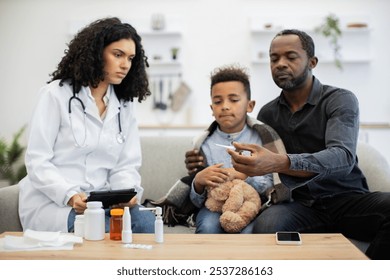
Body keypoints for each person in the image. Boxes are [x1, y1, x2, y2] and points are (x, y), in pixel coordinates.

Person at [186, 29, 390, 259]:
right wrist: (198, 159)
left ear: (312, 62)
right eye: (274, 58)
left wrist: (280, 162)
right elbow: (235, 137)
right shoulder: (268, 114)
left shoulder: (339, 99)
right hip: (298, 205)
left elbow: (342, 156)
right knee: (266, 226)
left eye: (290, 57)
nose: (280, 64)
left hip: (347, 199)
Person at [18, 17, 155, 233]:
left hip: (101, 202)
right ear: (96, 52)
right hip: (55, 203)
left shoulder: (125, 105)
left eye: (130, 58)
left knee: (147, 224)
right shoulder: (55, 95)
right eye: (117, 55)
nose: (125, 64)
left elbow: (126, 165)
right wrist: (70, 195)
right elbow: (38, 161)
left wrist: (123, 195)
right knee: (103, 229)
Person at [189, 65, 285, 233]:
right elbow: (198, 201)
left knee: (249, 234)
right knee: (208, 226)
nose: (225, 106)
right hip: (215, 207)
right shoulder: (203, 144)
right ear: (212, 108)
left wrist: (244, 176)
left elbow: (271, 185)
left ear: (250, 105)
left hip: (251, 204)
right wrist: (198, 181)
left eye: (233, 100)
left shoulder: (262, 138)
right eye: (218, 101)